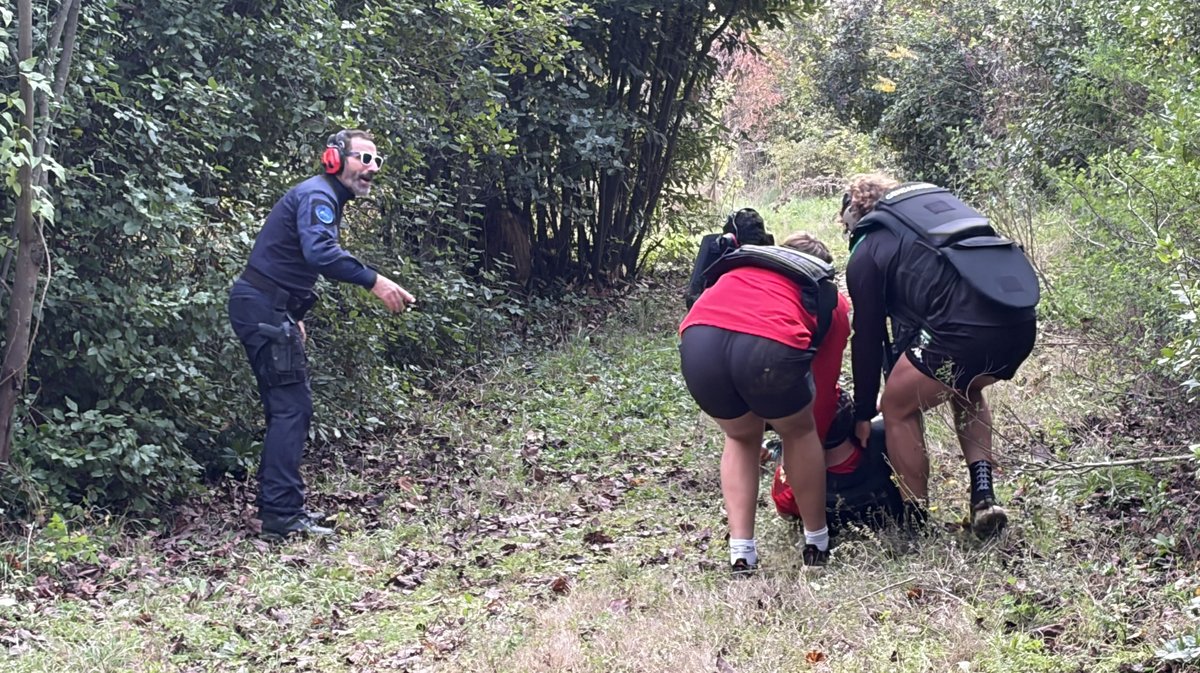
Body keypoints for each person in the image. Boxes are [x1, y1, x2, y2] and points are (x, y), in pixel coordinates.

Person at [227, 129, 415, 538]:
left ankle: (283, 510)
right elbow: (319, 253)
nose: (371, 169)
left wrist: (292, 313)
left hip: (267, 307)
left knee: (289, 407)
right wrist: (375, 281)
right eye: (363, 158)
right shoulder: (318, 195)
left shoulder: (323, 195)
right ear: (334, 158)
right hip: (260, 307)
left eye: (376, 161)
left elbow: (289, 259)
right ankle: (280, 516)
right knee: (291, 409)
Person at [840, 173, 1038, 539]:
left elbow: (866, 337)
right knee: (965, 386)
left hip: (963, 330)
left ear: (854, 213)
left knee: (897, 406)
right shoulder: (929, 221)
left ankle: (915, 522)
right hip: (1020, 322)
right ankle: (983, 497)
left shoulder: (868, 247)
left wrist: (865, 411)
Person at [679, 230, 851, 573]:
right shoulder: (827, 294)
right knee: (800, 433)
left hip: (698, 341)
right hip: (768, 346)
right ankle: (816, 544)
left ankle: (741, 553)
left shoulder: (742, 270)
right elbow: (822, 385)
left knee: (741, 437)